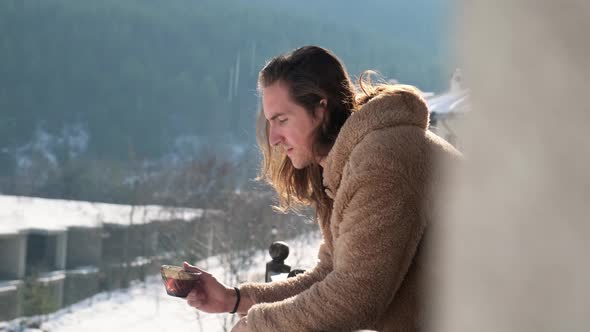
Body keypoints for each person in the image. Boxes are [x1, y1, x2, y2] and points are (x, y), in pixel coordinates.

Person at [183, 45, 461, 331]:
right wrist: (234, 299)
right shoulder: (353, 159)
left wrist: (256, 327)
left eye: (282, 120)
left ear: (320, 108)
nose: (275, 138)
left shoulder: (383, 161)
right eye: (270, 123)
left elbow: (353, 298)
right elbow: (331, 274)